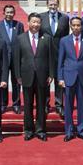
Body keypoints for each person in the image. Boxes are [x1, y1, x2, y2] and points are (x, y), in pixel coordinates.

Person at [14, 13, 54, 141]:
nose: (35, 24)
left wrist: (51, 74)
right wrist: (18, 75)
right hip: (26, 76)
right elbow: (16, 59)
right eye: (33, 22)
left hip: (42, 76)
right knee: (28, 105)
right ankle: (28, 130)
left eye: (38, 22)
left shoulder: (47, 38)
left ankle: (41, 130)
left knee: (42, 105)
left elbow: (51, 57)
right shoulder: (20, 38)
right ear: (28, 23)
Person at [58, 17, 83, 142]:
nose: (76, 27)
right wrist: (60, 78)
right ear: (70, 26)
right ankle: (69, 131)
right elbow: (60, 61)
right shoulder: (64, 40)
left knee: (82, 105)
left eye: (78, 25)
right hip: (68, 77)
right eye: (73, 25)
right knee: (68, 106)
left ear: (81, 26)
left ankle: (81, 130)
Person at [41, 0, 69, 116]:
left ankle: (59, 104)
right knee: (45, 80)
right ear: (47, 4)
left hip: (59, 53)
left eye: (55, 4)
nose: (53, 7)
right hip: (45, 53)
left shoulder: (64, 18)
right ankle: (45, 104)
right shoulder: (41, 17)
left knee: (59, 79)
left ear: (58, 5)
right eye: (51, 4)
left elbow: (66, 36)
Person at [0, 4, 24, 114]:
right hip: (2, 58)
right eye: (7, 12)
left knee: (16, 82)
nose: (9, 14)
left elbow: (22, 41)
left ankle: (16, 104)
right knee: (3, 81)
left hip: (16, 58)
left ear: (14, 13)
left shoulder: (19, 25)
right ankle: (3, 103)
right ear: (3, 13)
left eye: (11, 12)